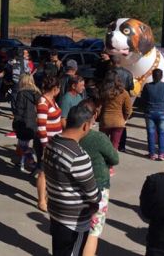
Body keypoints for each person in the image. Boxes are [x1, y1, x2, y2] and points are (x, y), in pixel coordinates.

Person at [44, 104, 101, 256]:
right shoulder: (79, 156)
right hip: (74, 221)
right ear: (84, 126)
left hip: (56, 211)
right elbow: (93, 195)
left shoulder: (52, 143)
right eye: (90, 125)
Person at [78, 98, 119, 256]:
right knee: (93, 230)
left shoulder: (71, 135)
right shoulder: (99, 138)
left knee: (79, 226)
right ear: (94, 115)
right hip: (98, 185)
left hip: (76, 185)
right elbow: (114, 158)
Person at [36, 76, 62, 212]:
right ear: (55, 89)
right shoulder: (43, 102)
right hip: (46, 143)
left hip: (55, 141)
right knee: (43, 172)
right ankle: (41, 200)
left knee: (52, 172)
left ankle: (46, 197)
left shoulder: (52, 100)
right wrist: (45, 146)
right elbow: (41, 126)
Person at [140, 68, 164, 161]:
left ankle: (152, 154)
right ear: (161, 76)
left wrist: (144, 109)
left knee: (150, 133)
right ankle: (161, 154)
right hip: (162, 111)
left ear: (153, 76)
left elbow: (142, 100)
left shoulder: (147, 86)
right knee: (161, 133)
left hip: (149, 112)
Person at [99, 70, 132, 154]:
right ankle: (110, 165)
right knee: (114, 146)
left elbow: (99, 106)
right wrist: (124, 118)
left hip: (105, 120)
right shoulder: (124, 93)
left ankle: (103, 163)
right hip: (118, 121)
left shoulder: (103, 91)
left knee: (103, 145)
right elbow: (128, 109)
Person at [12, 74, 40, 173]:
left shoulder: (21, 93)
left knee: (23, 145)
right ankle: (24, 161)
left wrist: (15, 123)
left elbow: (19, 110)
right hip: (35, 122)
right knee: (27, 145)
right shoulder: (37, 93)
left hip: (24, 123)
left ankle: (31, 162)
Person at [110, 55, 134, 152]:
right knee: (122, 122)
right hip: (125, 98)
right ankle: (122, 145)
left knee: (112, 120)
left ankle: (112, 143)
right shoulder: (128, 73)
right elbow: (131, 87)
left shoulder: (110, 73)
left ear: (112, 63)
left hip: (113, 98)